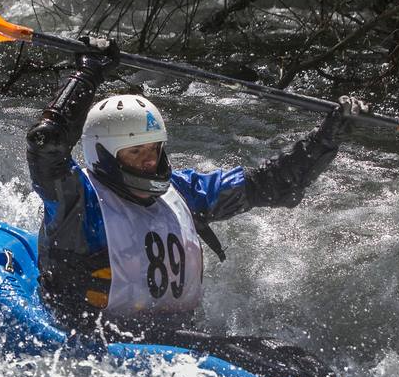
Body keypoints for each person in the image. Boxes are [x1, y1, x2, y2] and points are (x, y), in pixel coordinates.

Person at [26, 41, 367, 334]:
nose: (149, 161)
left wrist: (326, 139)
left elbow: (270, 184)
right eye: (136, 152)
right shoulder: (77, 200)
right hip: (91, 335)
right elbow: (45, 144)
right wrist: (89, 71)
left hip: (172, 340)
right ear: (102, 154)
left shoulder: (182, 192)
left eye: (154, 148)